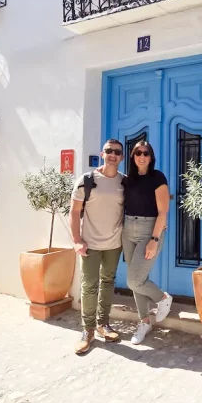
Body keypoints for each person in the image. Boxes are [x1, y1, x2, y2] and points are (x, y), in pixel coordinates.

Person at [70, 139, 126, 355]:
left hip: (114, 243)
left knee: (108, 282)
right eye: (109, 151)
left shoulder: (125, 182)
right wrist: (77, 240)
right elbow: (74, 212)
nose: (113, 154)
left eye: (117, 152)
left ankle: (103, 324)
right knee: (89, 285)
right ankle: (88, 330)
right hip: (90, 244)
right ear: (102, 154)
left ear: (121, 156)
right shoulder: (86, 180)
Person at [122, 140, 173, 345]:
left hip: (149, 229)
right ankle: (144, 322)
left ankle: (162, 299)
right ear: (133, 157)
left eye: (146, 153)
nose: (142, 156)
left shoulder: (157, 177)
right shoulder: (128, 180)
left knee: (134, 280)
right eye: (137, 153)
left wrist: (154, 239)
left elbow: (163, 211)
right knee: (137, 278)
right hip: (128, 229)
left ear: (151, 157)